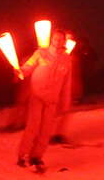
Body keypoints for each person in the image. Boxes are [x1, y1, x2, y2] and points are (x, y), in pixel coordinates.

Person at [17, 29, 72, 171]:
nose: (57, 41)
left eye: (60, 39)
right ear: (51, 39)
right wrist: (21, 71)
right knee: (33, 126)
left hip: (52, 99)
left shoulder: (66, 59)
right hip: (37, 94)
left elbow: (67, 83)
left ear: (64, 42)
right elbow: (28, 67)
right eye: (55, 39)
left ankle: (36, 156)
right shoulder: (41, 53)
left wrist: (65, 102)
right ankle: (22, 155)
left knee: (46, 130)